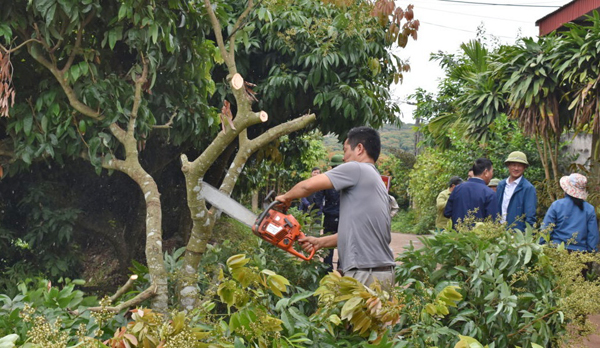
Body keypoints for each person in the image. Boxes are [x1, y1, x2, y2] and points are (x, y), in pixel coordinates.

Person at [275, 127, 395, 289]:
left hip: (366, 273)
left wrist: (285, 197)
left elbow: (307, 187)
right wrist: (320, 242)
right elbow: (356, 235)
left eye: (345, 151)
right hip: (380, 273)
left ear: (359, 149)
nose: (344, 158)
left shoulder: (357, 168)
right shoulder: (376, 181)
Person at [541, 173, 598, 253]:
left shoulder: (557, 205)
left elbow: (546, 230)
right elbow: (592, 236)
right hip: (580, 253)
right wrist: (592, 254)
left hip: (557, 250)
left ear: (566, 189)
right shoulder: (589, 209)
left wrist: (541, 247)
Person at [444, 158, 498, 228]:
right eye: (492, 171)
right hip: (478, 237)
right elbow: (493, 221)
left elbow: (447, 213)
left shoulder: (457, 189)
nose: (492, 175)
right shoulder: (489, 193)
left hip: (457, 236)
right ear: (486, 172)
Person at [496, 151, 537, 232]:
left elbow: (530, 215)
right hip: (499, 231)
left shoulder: (528, 188)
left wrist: (527, 235)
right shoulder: (501, 185)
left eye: (519, 166)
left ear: (524, 167)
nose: (516, 168)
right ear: (508, 166)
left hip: (517, 234)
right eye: (513, 165)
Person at [314, 155, 342, 272]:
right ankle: (342, 270)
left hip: (329, 217)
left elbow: (317, 200)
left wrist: (321, 210)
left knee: (327, 245)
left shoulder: (326, 179)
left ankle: (327, 271)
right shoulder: (348, 179)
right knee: (344, 245)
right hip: (344, 218)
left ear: (332, 166)